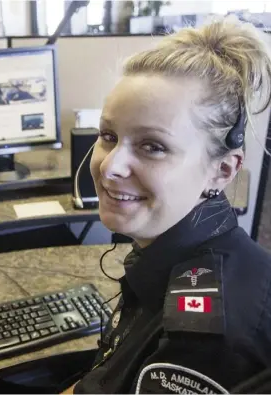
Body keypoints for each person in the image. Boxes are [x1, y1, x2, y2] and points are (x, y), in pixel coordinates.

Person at [63, 16, 271, 394]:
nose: (109, 167)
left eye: (152, 146)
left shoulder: (204, 337)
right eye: (109, 135)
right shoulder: (171, 256)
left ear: (222, 170)